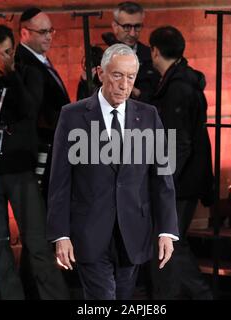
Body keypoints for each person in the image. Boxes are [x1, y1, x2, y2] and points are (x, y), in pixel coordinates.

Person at [47, 43, 179, 300]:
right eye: (117, 75)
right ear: (100, 73)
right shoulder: (72, 116)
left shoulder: (149, 115)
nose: (124, 84)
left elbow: (163, 177)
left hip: (133, 231)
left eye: (131, 77)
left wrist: (166, 230)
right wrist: (60, 234)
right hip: (89, 231)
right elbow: (60, 181)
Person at [0, 25, 69, 300]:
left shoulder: (28, 75)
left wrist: (11, 74)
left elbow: (30, 109)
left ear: (13, 50)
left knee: (37, 242)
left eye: (5, 53)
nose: (0, 59)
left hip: (20, 170)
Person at [148, 26, 214, 300]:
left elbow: (179, 143)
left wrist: (166, 182)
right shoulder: (179, 82)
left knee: (170, 240)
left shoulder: (177, 88)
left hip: (182, 181)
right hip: (187, 177)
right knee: (168, 241)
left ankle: (200, 294)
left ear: (154, 51)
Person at [15, 7, 71, 201]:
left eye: (51, 31)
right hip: (43, 145)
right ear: (24, 33)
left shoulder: (38, 60)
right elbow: (34, 109)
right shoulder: (25, 64)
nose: (49, 37)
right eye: (42, 32)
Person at [108, 1, 160, 102]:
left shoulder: (151, 56)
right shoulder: (103, 57)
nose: (132, 33)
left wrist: (139, 94)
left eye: (137, 27)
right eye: (126, 27)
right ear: (115, 27)